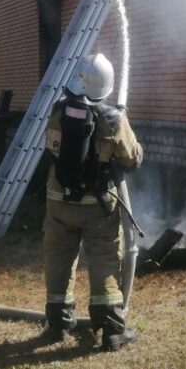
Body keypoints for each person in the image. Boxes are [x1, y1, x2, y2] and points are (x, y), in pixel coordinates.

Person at [43, 52, 143, 351]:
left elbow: (52, 149)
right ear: (106, 86)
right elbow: (131, 159)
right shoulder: (114, 119)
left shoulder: (58, 111)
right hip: (98, 207)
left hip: (59, 200)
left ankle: (58, 325)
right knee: (104, 261)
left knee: (58, 260)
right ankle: (112, 330)